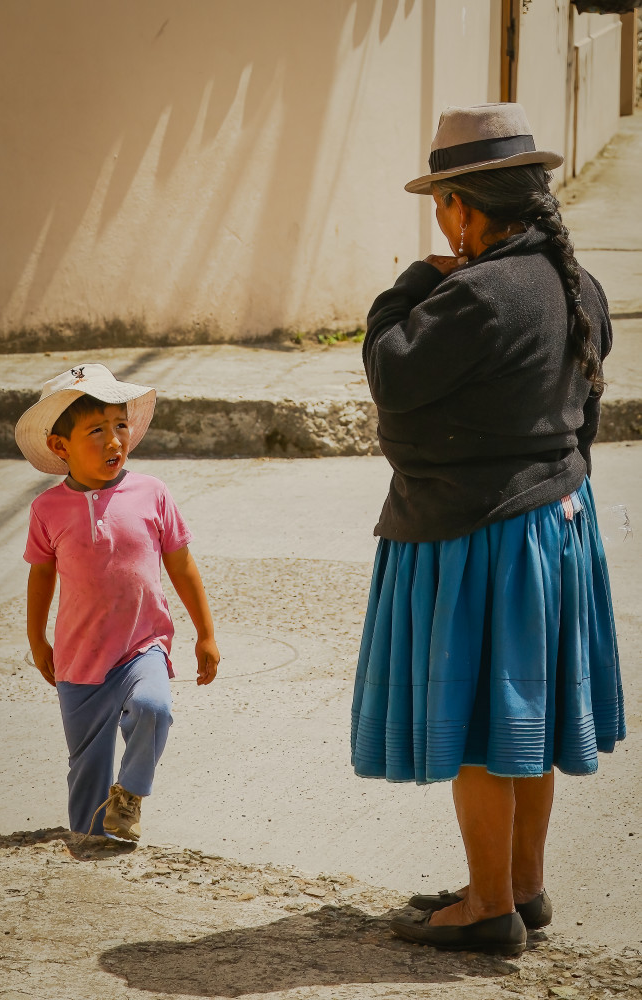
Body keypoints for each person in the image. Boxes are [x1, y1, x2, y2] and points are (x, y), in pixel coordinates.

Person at [350, 103, 625, 956]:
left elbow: (391, 376)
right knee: (524, 722)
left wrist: (408, 283)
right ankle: (520, 887)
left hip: (480, 540)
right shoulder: (576, 284)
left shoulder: (469, 293)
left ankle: (487, 909)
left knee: (478, 726)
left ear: (464, 208)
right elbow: (583, 414)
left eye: (445, 206)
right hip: (553, 527)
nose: (443, 225)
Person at [15, 363, 220, 842]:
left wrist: (206, 634)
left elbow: (182, 566)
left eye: (120, 426)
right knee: (86, 767)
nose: (114, 441)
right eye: (96, 431)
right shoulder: (47, 510)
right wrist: (36, 637)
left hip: (141, 646)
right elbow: (41, 576)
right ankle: (91, 847)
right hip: (78, 658)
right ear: (59, 446)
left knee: (155, 709)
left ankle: (129, 793)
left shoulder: (152, 493)